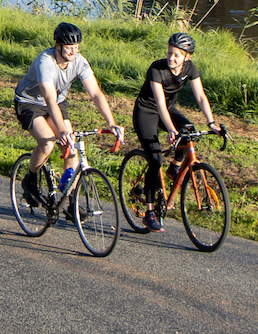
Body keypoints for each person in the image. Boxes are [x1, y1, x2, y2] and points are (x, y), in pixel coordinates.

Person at [14, 21, 122, 210]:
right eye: (69, 47)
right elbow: (49, 98)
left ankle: (71, 202)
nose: (74, 52)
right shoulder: (45, 61)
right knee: (47, 143)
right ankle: (30, 180)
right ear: (58, 46)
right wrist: (63, 130)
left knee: (71, 149)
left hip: (57, 102)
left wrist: (111, 123)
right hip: (30, 102)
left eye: (76, 47)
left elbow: (95, 94)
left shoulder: (79, 61)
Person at [131, 31, 220, 232]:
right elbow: (160, 104)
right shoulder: (157, 69)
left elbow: (200, 97)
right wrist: (171, 129)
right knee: (155, 159)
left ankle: (175, 167)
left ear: (187, 57)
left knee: (189, 132)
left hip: (168, 109)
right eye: (169, 53)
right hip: (147, 111)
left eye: (176, 55)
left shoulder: (190, 68)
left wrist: (211, 122)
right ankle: (150, 213)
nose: (171, 58)